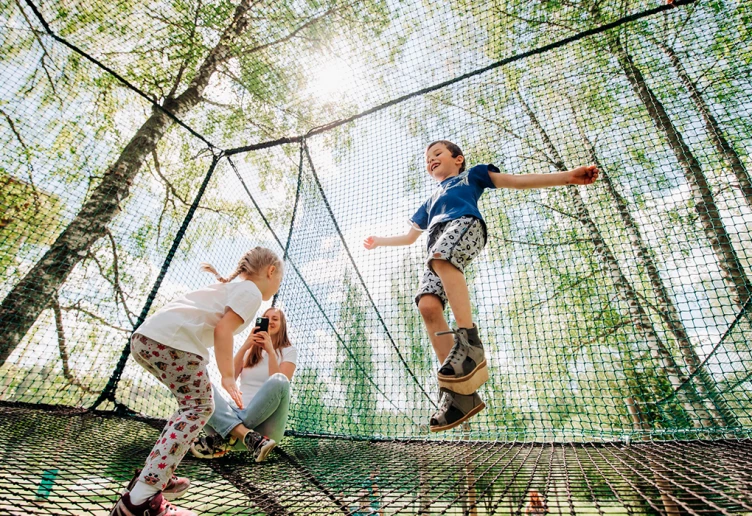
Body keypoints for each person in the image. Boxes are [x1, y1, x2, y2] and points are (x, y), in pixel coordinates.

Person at [364, 141, 598, 431]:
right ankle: (459, 395)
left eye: (437, 154)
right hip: (436, 242)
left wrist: (567, 177)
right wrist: (379, 241)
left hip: (464, 226)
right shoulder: (429, 201)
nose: (431, 160)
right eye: (427, 159)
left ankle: (469, 341)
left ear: (458, 159)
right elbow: (410, 236)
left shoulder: (471, 175)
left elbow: (515, 181)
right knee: (427, 304)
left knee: (441, 257)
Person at [110, 247, 284, 516]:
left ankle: (156, 474)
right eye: (279, 281)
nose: (276, 286)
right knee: (200, 407)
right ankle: (139, 501)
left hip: (148, 340)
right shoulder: (250, 292)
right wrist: (227, 376)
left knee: (193, 407)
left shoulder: (233, 289)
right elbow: (223, 330)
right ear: (271, 271)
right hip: (173, 343)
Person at [189, 306, 297, 460]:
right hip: (246, 430)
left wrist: (270, 350)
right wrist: (247, 345)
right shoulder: (249, 353)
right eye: (267, 318)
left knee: (279, 380)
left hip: (265, 431)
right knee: (203, 385)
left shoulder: (289, 351)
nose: (270, 321)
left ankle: (231, 434)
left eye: (275, 318)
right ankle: (243, 435)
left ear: (282, 325)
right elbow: (229, 376)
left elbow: (279, 384)